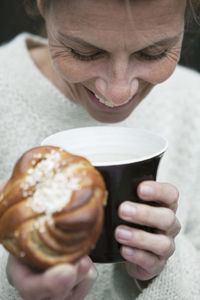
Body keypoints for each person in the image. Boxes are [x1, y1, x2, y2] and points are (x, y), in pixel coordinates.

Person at [0, 0, 200, 299]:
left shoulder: (193, 105)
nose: (118, 92)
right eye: (84, 53)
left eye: (154, 53)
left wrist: (164, 268)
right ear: (43, 5)